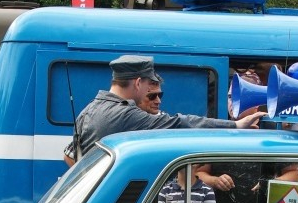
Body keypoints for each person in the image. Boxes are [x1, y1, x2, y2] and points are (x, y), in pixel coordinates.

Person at [63, 55, 263, 165]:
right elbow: (180, 122)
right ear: (138, 82)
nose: (150, 92)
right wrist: (235, 124)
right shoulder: (124, 114)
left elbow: (70, 156)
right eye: (148, 85)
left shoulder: (89, 109)